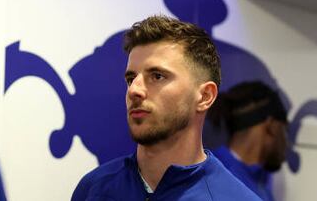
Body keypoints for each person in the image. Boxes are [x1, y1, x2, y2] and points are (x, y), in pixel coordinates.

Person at [71, 15, 261, 200]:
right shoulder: (93, 188)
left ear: (205, 96)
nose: (134, 90)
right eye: (131, 79)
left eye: (157, 76)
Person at [208, 81, 288, 201]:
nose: (287, 142)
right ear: (271, 127)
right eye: (285, 130)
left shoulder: (261, 186)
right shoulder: (210, 175)